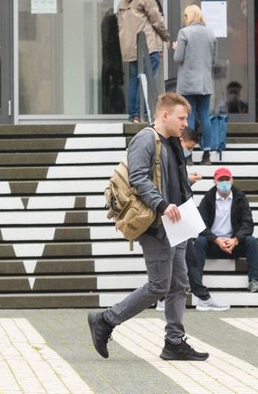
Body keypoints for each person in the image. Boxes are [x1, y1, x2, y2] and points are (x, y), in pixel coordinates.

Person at [87, 92, 209, 363]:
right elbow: (138, 177)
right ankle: (106, 320)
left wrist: (185, 181)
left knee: (179, 284)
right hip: (155, 224)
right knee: (159, 285)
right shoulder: (146, 138)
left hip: (175, 224)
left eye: (186, 118)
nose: (184, 123)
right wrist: (162, 204)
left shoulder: (172, 142)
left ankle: (174, 342)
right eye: (181, 117)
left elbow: (162, 175)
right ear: (164, 115)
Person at [187, 167, 258, 308]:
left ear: (231, 180)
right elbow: (201, 225)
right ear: (215, 182)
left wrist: (236, 239)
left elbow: (248, 224)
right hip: (213, 243)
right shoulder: (208, 199)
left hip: (234, 243)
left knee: (252, 241)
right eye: (221, 180)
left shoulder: (240, 198)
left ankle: (254, 280)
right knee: (199, 241)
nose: (224, 183)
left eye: (226, 180)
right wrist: (216, 240)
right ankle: (195, 282)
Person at [117, 0, 172, 123]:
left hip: (130, 47)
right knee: (148, 80)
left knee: (134, 80)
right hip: (146, 46)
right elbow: (157, 21)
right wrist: (166, 37)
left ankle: (134, 115)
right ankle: (146, 114)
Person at [174, 4, 216, 151]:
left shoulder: (184, 33)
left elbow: (178, 57)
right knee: (205, 116)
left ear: (188, 17)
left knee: (189, 116)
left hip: (188, 82)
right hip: (205, 82)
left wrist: (176, 47)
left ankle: (189, 151)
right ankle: (207, 152)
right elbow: (213, 59)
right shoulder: (210, 33)